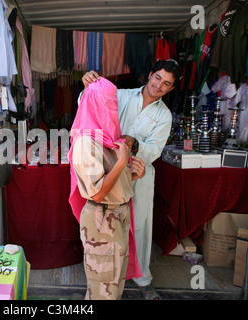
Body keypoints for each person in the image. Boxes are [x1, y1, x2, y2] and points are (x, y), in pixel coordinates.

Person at [81, 59, 182, 300]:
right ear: (150, 75)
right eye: (157, 78)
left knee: (140, 227)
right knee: (105, 224)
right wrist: (88, 87)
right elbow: (91, 105)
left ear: (171, 89)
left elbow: (155, 149)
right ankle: (100, 277)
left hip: (140, 174)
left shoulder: (164, 115)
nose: (159, 85)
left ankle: (142, 279)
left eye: (166, 83)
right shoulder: (121, 94)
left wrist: (134, 144)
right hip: (108, 170)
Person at [69, 77, 146, 300]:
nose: (111, 108)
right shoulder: (86, 142)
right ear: (92, 104)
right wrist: (122, 162)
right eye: (106, 102)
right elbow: (97, 193)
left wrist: (133, 175)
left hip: (117, 216)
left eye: (114, 102)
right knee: (103, 291)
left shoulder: (108, 138)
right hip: (103, 219)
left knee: (113, 287)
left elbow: (113, 185)